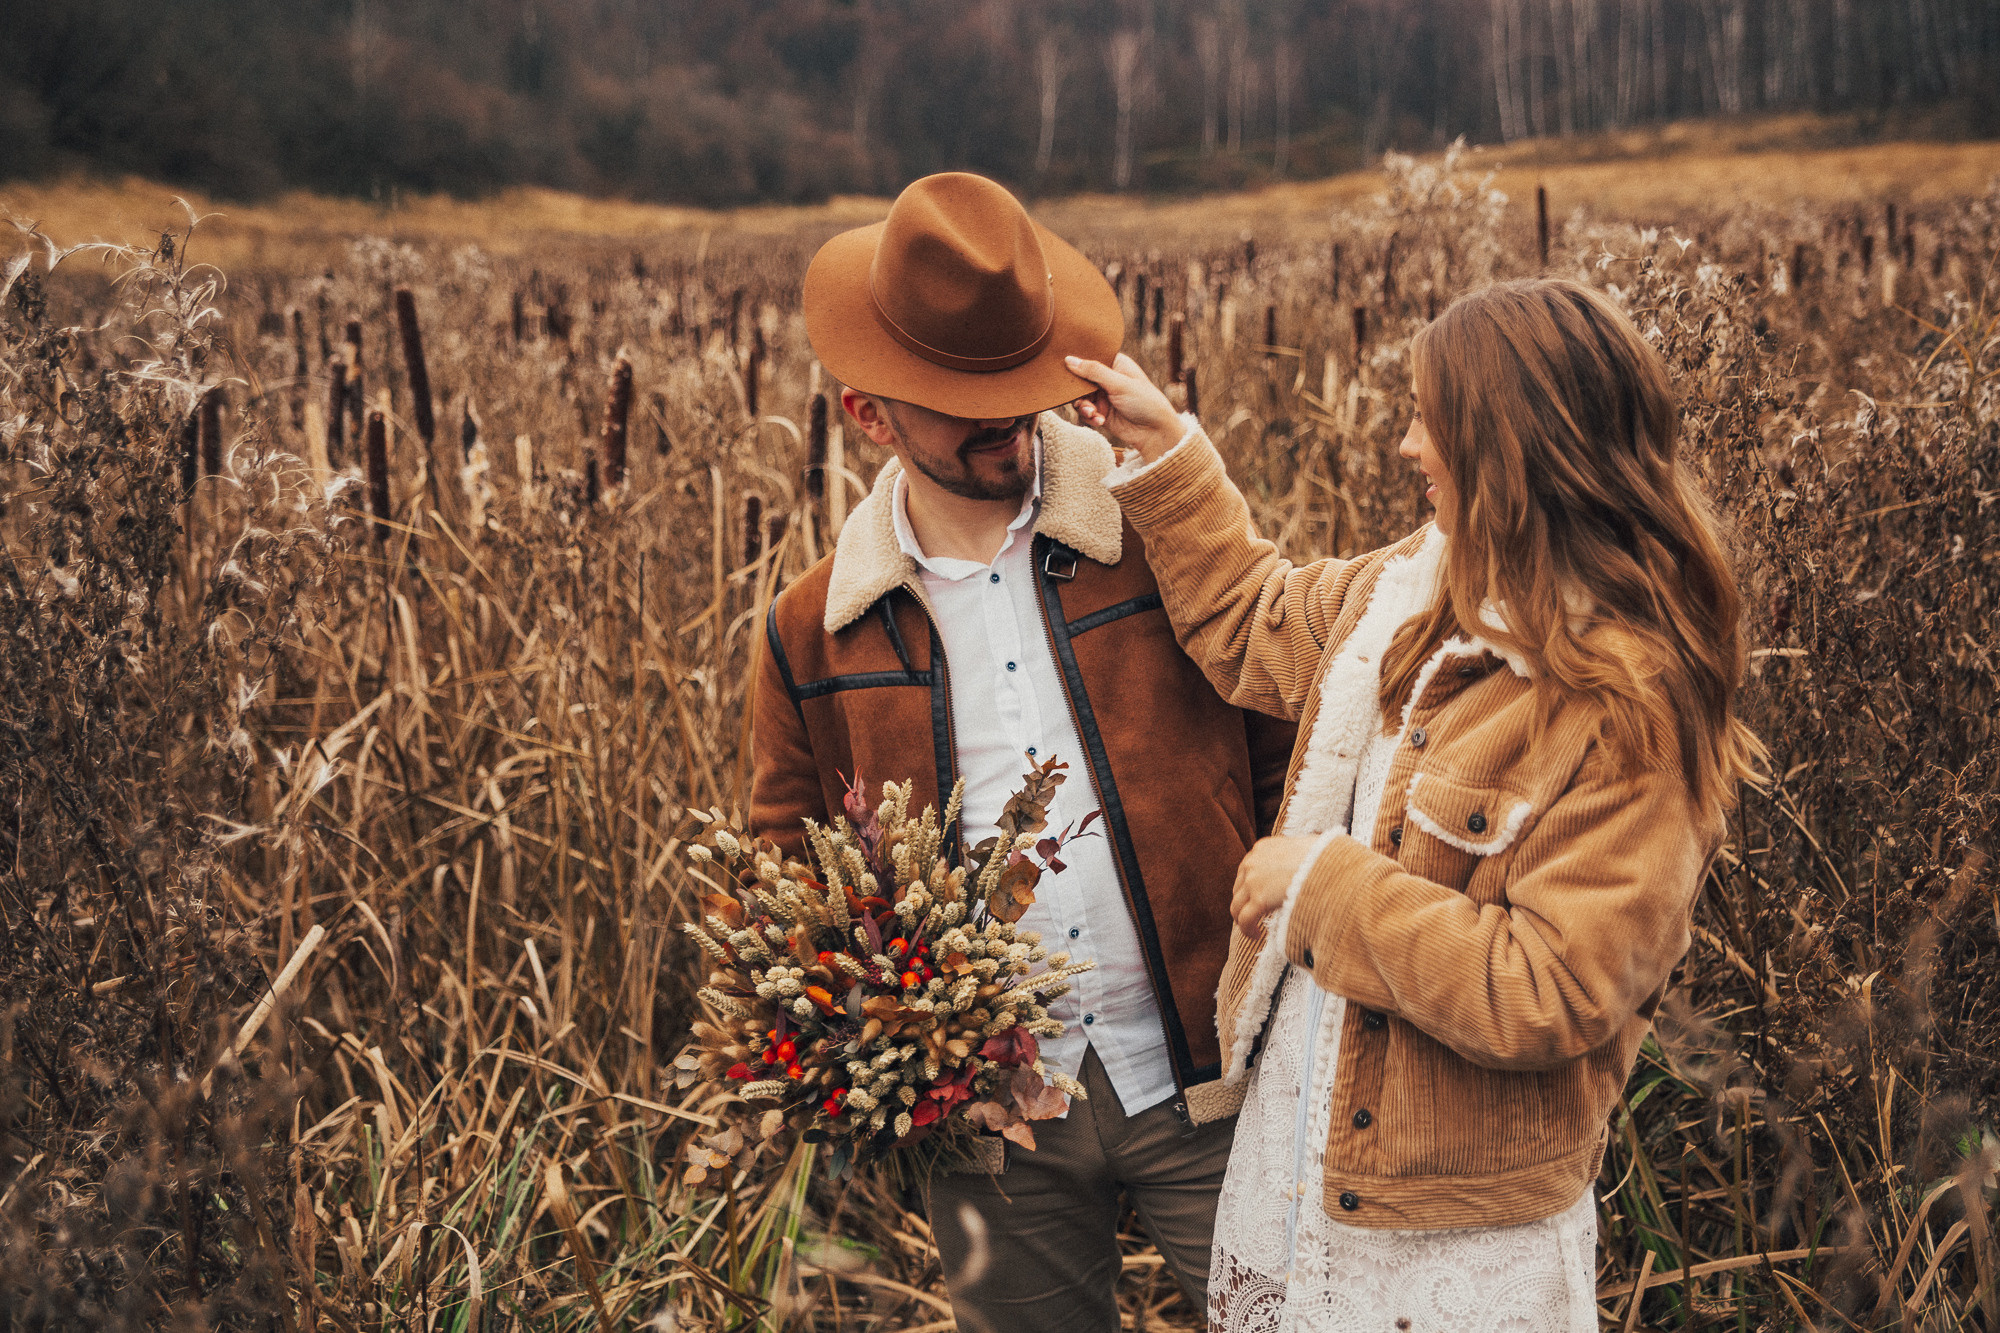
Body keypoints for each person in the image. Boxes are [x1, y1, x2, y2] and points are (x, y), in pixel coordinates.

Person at [1065, 276, 1765, 1333]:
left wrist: (1322, 890)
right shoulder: (1411, 590)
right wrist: (1165, 454)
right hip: (1298, 1170)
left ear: (1510, 452)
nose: (1404, 445)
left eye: (1428, 421)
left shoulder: (1626, 705)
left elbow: (1550, 990)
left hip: (1454, 1241)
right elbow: (1253, 620)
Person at [750, 171, 1296, 1332]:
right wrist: (908, 1066)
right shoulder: (812, 629)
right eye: (963, 400)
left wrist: (1281, 991)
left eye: (1017, 382)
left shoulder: (1156, 531)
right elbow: (786, 867)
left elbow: (1281, 744)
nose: (1008, 415)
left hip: (1215, 1080)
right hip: (992, 1127)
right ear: (869, 414)